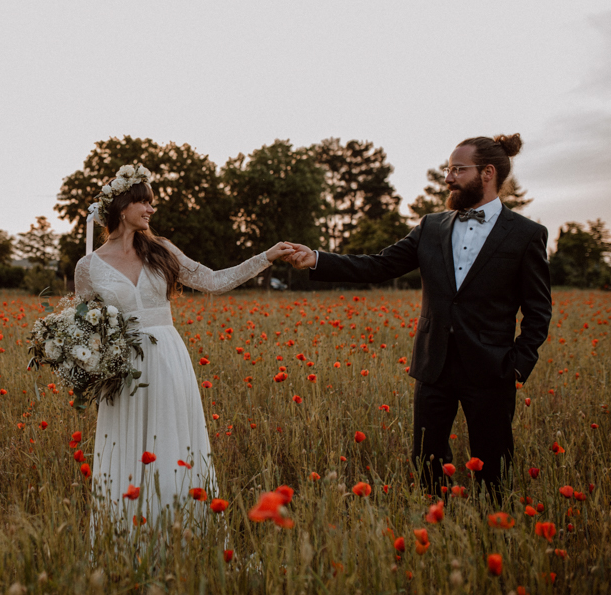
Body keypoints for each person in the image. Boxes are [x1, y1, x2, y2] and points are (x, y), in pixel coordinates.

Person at [278, 134, 551, 498]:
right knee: (427, 461)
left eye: (457, 169)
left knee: (493, 466)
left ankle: (496, 531)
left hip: (491, 368)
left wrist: (518, 363)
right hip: (433, 364)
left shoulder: (526, 234)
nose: (448, 178)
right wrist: (316, 258)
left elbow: (538, 309)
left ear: (487, 173)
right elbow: (379, 265)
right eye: (447, 169)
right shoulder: (431, 226)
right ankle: (437, 530)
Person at [74, 164, 287, 527]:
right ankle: (128, 537)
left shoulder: (162, 250)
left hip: (168, 359)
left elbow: (214, 281)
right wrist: (90, 361)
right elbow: (83, 327)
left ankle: (180, 531)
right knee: (129, 445)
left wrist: (265, 257)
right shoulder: (88, 266)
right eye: (144, 202)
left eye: (151, 203)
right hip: (123, 369)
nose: (151, 210)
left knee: (171, 441)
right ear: (122, 207)